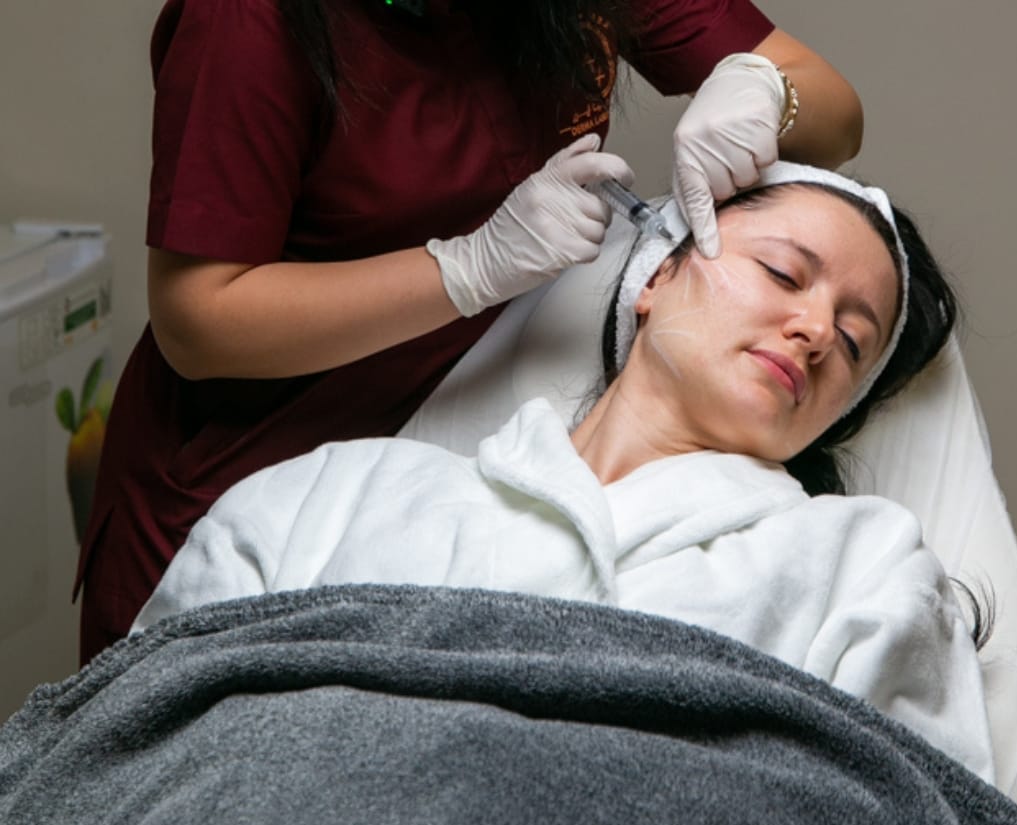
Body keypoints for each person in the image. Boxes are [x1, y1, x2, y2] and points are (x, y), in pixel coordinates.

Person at [132, 164, 997, 785]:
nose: (813, 327)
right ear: (657, 275)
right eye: (782, 272)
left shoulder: (861, 566)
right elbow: (128, 745)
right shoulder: (331, 493)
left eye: (852, 342)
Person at [75, 0, 865, 666]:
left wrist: (767, 90)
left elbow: (833, 110)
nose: (813, 330)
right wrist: (466, 270)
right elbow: (200, 319)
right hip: (244, 469)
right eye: (783, 278)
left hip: (445, 456)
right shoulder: (250, 21)